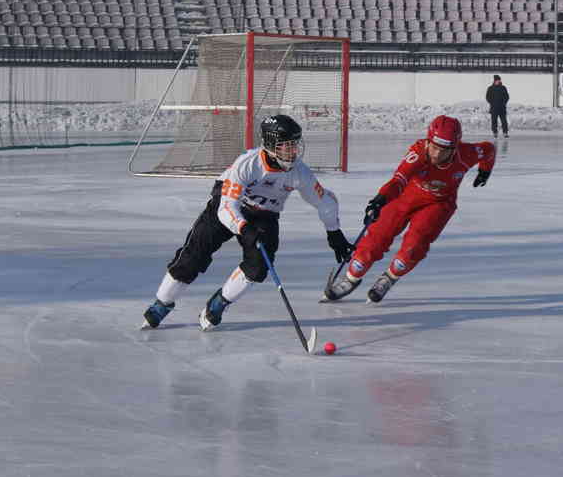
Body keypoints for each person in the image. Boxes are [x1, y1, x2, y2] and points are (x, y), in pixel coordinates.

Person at [142, 114, 354, 330]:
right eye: (286, 146)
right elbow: (227, 207)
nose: (293, 152)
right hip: (228, 205)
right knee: (194, 256)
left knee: (259, 267)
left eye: (295, 145)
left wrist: (334, 232)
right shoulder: (247, 164)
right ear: (271, 146)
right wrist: (244, 228)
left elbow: (326, 201)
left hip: (266, 214)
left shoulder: (299, 172)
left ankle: (218, 304)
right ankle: (162, 304)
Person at [324, 115, 496, 303]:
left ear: (454, 148)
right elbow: (399, 180)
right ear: (429, 141)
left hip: (438, 204)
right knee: (376, 238)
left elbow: (489, 150)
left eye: (444, 150)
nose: (437, 155)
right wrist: (380, 199)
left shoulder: (467, 153)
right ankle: (351, 278)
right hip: (404, 198)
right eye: (434, 147)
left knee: (414, 247)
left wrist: (485, 171)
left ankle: (389, 278)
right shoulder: (418, 154)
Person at [485, 74, 510, 138]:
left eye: (499, 80)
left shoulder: (503, 88)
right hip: (494, 108)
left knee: (504, 121)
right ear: (494, 81)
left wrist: (504, 103)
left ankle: (505, 132)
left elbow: (507, 97)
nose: (498, 81)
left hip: (502, 108)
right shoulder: (490, 88)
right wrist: (492, 103)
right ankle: (495, 132)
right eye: (497, 80)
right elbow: (487, 97)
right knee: (494, 121)